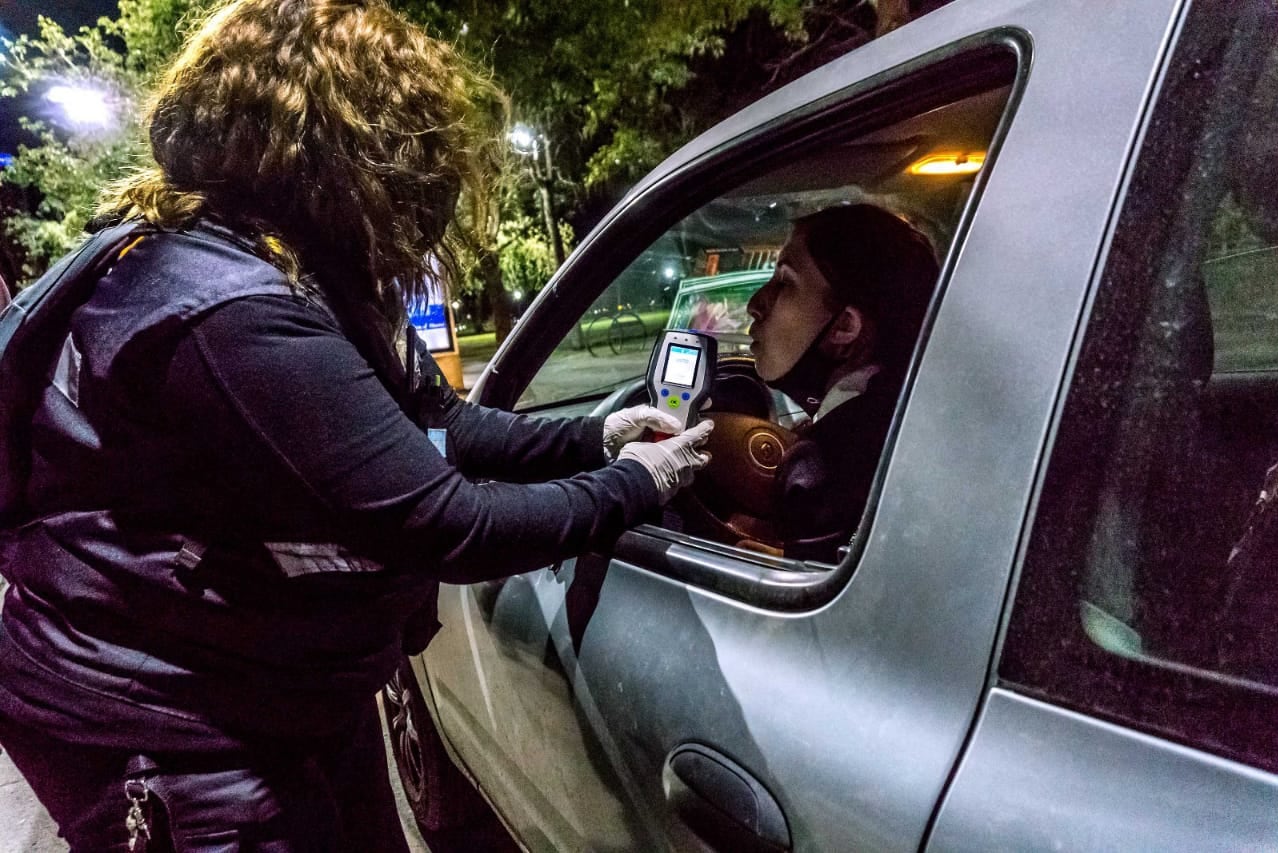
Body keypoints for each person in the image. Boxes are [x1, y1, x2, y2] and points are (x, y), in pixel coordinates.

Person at [0, 1, 711, 850]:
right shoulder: (224, 309)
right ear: (339, 144)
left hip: (271, 687)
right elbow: (444, 520)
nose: (430, 184)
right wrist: (636, 484)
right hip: (171, 727)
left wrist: (591, 439)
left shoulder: (306, 270)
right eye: (413, 147)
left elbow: (435, 427)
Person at [746, 204, 939, 561]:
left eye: (784, 282)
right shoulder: (913, 416)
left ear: (845, 327)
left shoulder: (822, 467)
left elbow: (798, 607)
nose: (755, 304)